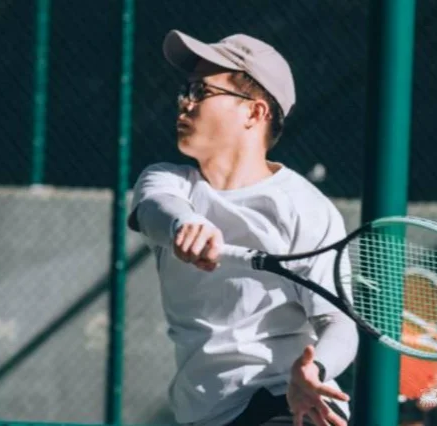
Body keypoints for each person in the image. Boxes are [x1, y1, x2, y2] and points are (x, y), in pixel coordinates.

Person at [128, 29, 358, 426]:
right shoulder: (167, 181)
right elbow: (155, 210)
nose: (185, 102)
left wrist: (313, 370)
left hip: (287, 403)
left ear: (254, 113)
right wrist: (187, 224)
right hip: (205, 411)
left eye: (201, 91)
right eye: (185, 90)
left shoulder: (307, 210)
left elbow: (338, 321)